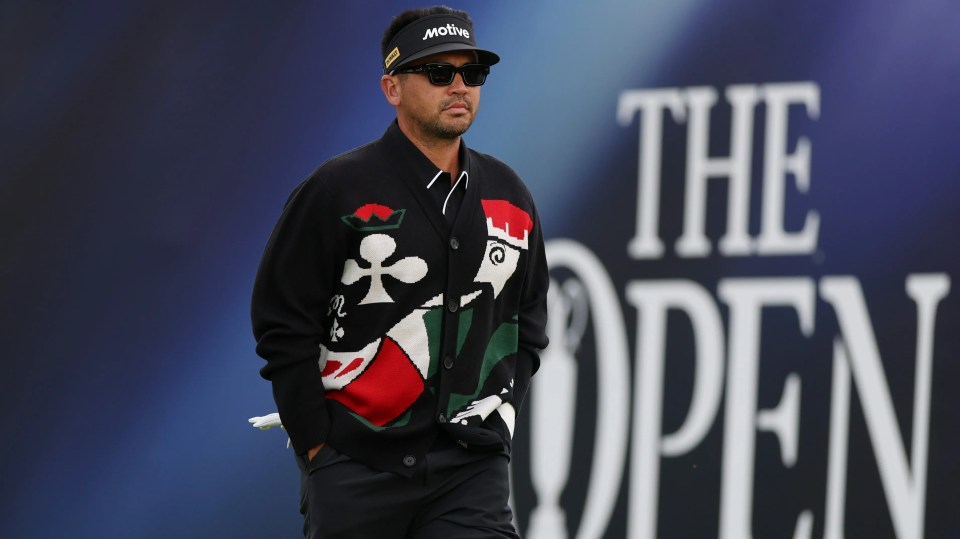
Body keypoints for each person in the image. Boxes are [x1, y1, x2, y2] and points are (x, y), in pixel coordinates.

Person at [251, 5, 549, 538]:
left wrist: (500, 414)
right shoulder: (336, 188)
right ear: (392, 88)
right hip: (356, 463)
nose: (459, 86)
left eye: (472, 73)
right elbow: (282, 322)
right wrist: (318, 444)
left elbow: (528, 321)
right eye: (438, 72)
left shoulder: (509, 193)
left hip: (470, 468)